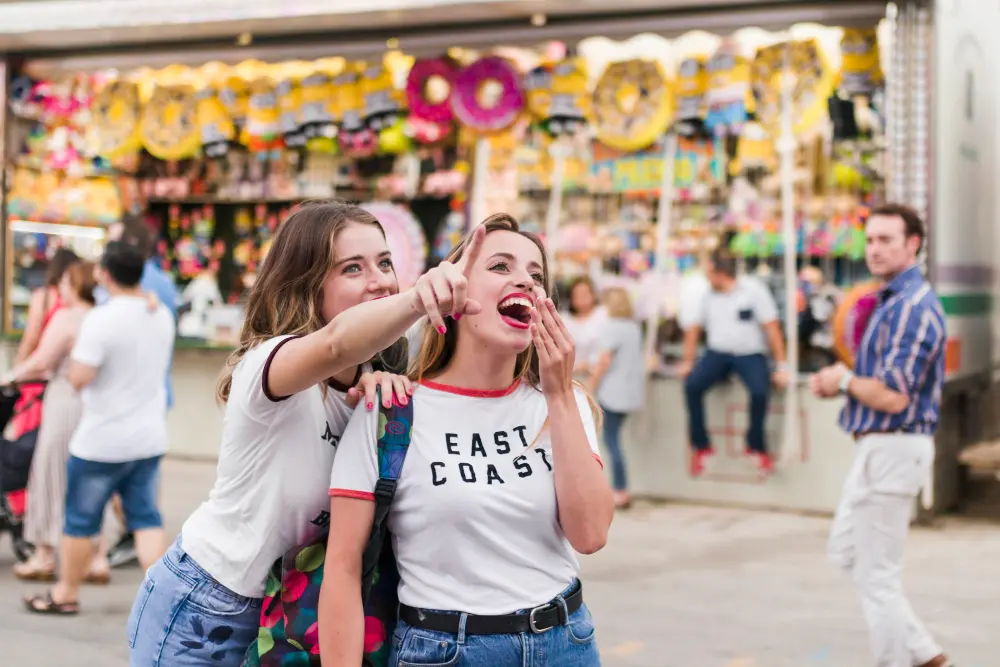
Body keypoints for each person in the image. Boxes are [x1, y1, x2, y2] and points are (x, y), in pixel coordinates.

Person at [126, 201, 480, 667]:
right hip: (208, 604)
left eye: (385, 262)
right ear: (307, 282)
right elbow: (336, 343)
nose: (378, 280)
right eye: (352, 268)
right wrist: (417, 298)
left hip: (290, 611)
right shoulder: (271, 365)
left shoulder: (374, 384)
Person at [320, 214, 613, 667]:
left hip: (565, 642)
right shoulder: (391, 408)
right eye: (500, 267)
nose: (525, 281)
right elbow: (342, 568)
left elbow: (591, 534)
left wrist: (557, 392)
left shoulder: (561, 400)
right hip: (444, 651)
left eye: (536, 276)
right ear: (454, 293)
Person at [809, 204, 952, 667]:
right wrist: (841, 383)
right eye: (870, 240)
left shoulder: (910, 308)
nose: (874, 249)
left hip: (894, 445)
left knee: (878, 576)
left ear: (913, 244)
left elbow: (893, 396)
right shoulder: (890, 301)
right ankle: (925, 653)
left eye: (886, 240)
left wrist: (844, 381)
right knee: (847, 550)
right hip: (881, 446)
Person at [23, 242, 175, 615]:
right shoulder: (160, 315)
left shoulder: (102, 319)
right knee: (145, 519)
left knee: (79, 520)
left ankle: (65, 594)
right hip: (148, 438)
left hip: (102, 441)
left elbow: (77, 377)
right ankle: (165, 599)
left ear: (104, 274)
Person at [7, 261, 108, 582]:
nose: (60, 288)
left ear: (76, 284)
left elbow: (42, 361)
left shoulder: (66, 318)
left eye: (64, 282)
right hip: (95, 404)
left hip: (65, 401)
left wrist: (10, 375)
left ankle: (44, 553)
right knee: (91, 480)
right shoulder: (102, 316)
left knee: (50, 474)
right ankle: (97, 557)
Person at [98, 217, 179, 570]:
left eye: (114, 242)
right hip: (150, 393)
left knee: (122, 476)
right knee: (142, 475)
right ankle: (137, 537)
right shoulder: (159, 284)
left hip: (125, 395)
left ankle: (132, 536)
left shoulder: (136, 288)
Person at [679, 248, 789, 477]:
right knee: (692, 386)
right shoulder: (707, 295)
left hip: (750, 353)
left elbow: (772, 328)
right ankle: (702, 447)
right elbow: (694, 329)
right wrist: (688, 361)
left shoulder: (753, 290)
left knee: (760, 392)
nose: (707, 278)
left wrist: (781, 366)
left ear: (721, 273)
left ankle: (756, 447)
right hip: (717, 353)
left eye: (710, 272)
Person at [588, 287, 645, 509]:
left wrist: (591, 386)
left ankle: (619, 490)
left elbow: (604, 361)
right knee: (615, 440)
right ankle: (620, 489)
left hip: (612, 393)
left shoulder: (611, 328)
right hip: (630, 393)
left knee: (611, 442)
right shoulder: (633, 328)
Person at [562, 276, 607, 377]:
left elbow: (608, 348)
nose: (581, 298)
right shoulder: (564, 319)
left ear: (593, 295)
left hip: (600, 375)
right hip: (571, 376)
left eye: (584, 294)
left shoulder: (603, 314)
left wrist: (589, 364)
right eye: (576, 294)